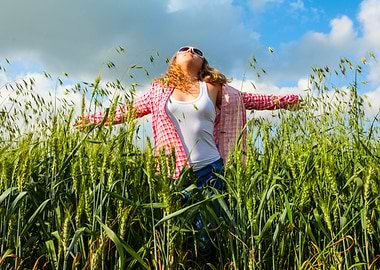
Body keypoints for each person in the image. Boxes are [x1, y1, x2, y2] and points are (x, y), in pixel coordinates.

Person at [75, 45, 301, 264]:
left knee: (207, 235)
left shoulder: (214, 88)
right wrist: (93, 120)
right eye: (184, 48)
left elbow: (252, 100)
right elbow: (127, 110)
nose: (191, 51)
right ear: (174, 60)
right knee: (176, 232)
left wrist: (289, 101)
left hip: (211, 169)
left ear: (203, 63)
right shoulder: (158, 89)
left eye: (197, 51)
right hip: (173, 172)